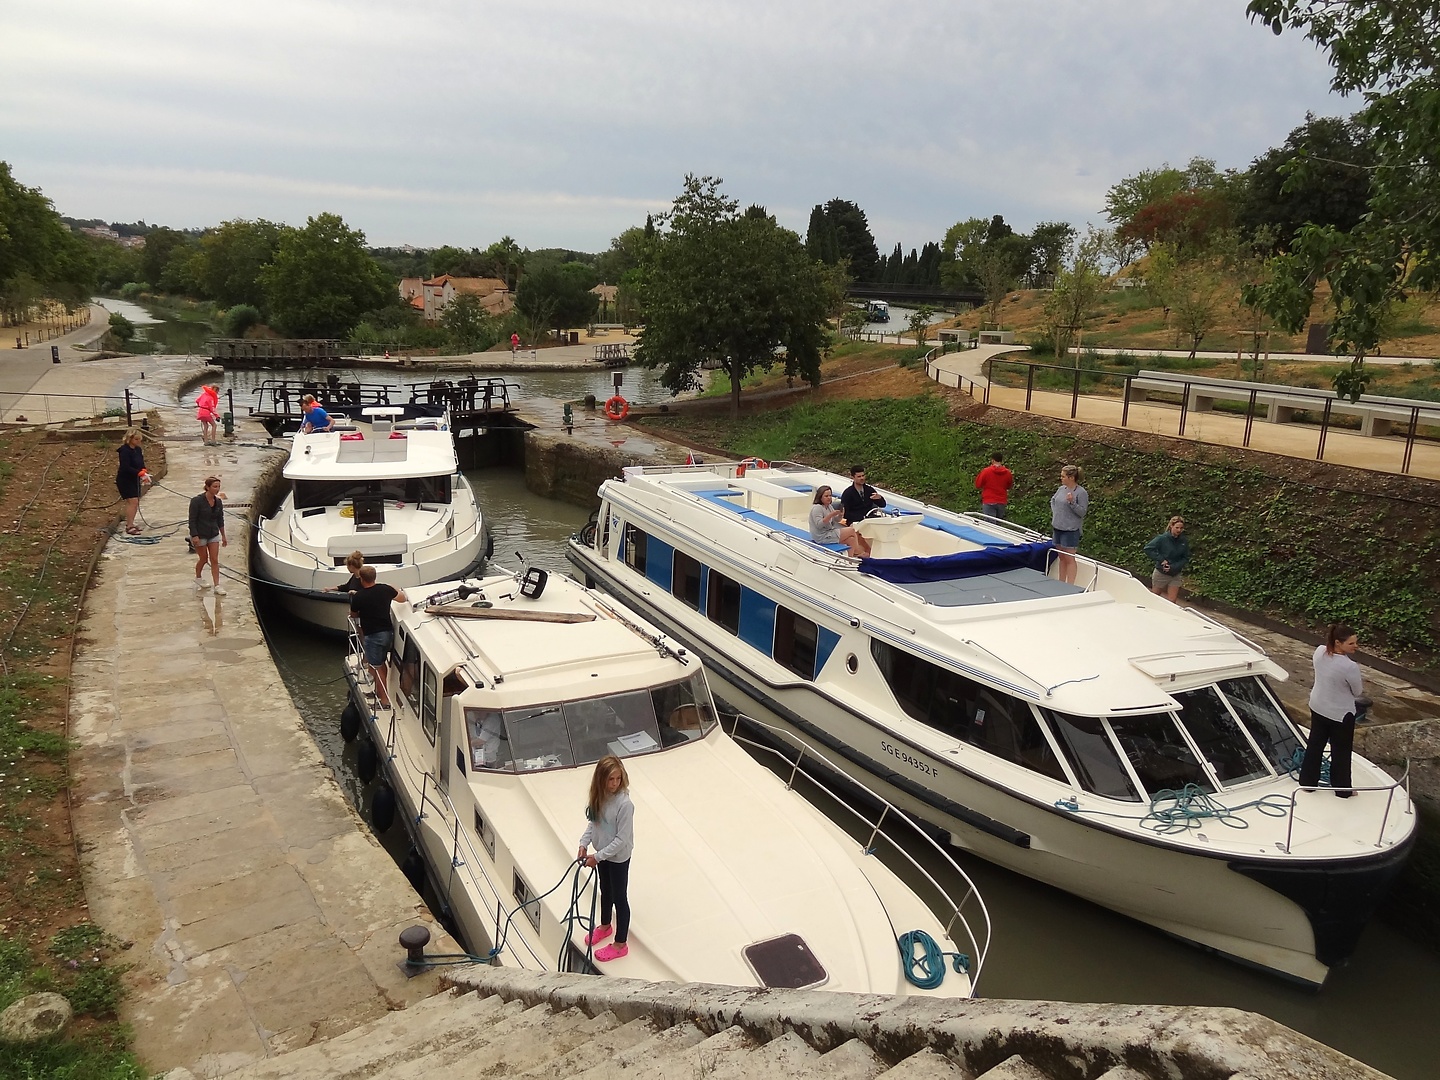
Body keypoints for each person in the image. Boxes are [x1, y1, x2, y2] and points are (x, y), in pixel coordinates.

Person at [578, 755, 634, 963]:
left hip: (618, 857)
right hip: (603, 855)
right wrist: (584, 843)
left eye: (618, 779)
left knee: (620, 897)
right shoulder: (599, 798)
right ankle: (605, 926)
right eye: (610, 779)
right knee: (605, 890)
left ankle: (621, 943)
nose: (614, 784)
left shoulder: (625, 805)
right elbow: (593, 823)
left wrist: (598, 856)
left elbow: (622, 839)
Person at [1298, 624, 1365, 798]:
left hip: (1318, 706)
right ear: (1338, 643)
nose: (1355, 646)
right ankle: (1342, 790)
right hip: (1340, 714)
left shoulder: (1319, 652)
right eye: (1351, 644)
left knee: (1315, 745)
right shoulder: (1350, 667)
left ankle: (1307, 783)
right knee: (1341, 752)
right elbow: (1357, 691)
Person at [350, 566, 407, 709]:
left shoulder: (359, 596)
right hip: (387, 633)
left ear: (361, 579)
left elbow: (353, 614)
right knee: (381, 666)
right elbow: (402, 598)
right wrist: (393, 587)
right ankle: (378, 692)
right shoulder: (385, 590)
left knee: (375, 668)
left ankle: (384, 701)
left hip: (373, 636)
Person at [1049, 465, 1088, 585]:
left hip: (1070, 529)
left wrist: (1072, 503)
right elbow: (1053, 500)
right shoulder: (1061, 489)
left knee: (1069, 558)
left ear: (1071, 477)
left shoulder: (1081, 493)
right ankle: (1061, 582)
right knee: (1061, 556)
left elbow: (1082, 512)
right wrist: (1056, 514)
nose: (1061, 478)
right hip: (1058, 527)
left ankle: (1070, 584)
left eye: (1063, 476)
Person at [189, 476, 228, 595]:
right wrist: (194, 535)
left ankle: (217, 585)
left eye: (218, 487)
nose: (217, 489)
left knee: (214, 559)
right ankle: (198, 577)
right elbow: (192, 520)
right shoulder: (197, 501)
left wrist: (223, 535)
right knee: (203, 558)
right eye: (214, 487)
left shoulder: (218, 502)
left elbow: (220, 519)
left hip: (213, 533)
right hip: (200, 534)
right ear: (207, 487)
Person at [809, 485, 870, 557]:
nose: (829, 498)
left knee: (851, 539)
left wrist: (840, 515)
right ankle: (858, 552)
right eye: (826, 496)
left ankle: (850, 559)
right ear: (820, 497)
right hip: (822, 536)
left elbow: (836, 520)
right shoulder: (817, 508)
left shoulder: (829, 506)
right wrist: (831, 515)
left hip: (829, 532)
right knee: (852, 530)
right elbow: (819, 525)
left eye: (830, 495)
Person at [1144, 516, 1190, 602]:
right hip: (1161, 573)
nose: (1179, 530)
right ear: (1171, 526)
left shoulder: (1183, 541)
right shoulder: (1162, 538)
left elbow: (1185, 557)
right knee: (1154, 598)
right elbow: (1148, 549)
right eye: (1177, 527)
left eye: (1181, 528)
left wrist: (1174, 567)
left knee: (1172, 601)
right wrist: (1161, 560)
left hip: (1175, 573)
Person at [116, 429, 146, 535]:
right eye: (136, 439)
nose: (138, 441)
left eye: (140, 439)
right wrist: (139, 473)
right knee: (132, 502)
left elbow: (141, 463)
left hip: (135, 478)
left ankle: (131, 523)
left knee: (135, 502)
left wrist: (144, 471)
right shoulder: (124, 451)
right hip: (125, 479)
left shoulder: (137, 450)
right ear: (130, 439)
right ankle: (129, 526)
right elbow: (125, 467)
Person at [974, 452, 1014, 519]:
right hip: (1001, 501)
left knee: (990, 525)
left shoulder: (986, 471)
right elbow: (1009, 486)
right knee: (998, 526)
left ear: (992, 460)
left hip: (989, 500)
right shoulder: (1007, 473)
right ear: (1001, 460)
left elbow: (978, 484)